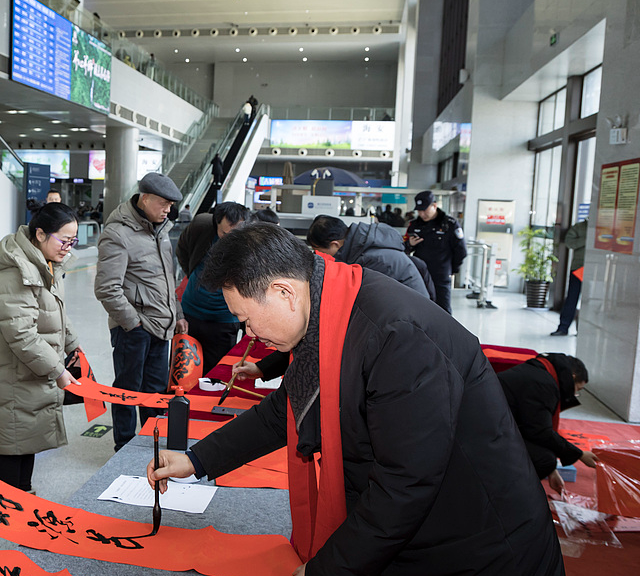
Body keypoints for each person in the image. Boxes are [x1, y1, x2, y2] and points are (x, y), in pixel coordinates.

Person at [148, 224, 563, 575]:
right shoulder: (327, 308)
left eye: (246, 319)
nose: (250, 335)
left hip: (480, 546)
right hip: (427, 533)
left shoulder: (396, 337)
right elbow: (287, 408)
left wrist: (327, 567)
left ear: (284, 292)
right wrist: (197, 460)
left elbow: (404, 484)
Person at [0, 202, 82, 493]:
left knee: (27, 440)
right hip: (12, 375)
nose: (68, 248)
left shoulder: (44, 264)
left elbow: (57, 312)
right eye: (64, 240)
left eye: (72, 241)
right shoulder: (14, 273)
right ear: (40, 234)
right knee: (14, 444)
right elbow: (21, 334)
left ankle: (24, 497)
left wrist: (73, 346)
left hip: (32, 371)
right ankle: (7, 507)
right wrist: (58, 369)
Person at [94, 172, 187, 451]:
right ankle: (123, 444)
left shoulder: (161, 230)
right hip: (134, 329)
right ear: (144, 198)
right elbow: (106, 288)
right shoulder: (118, 233)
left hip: (162, 325)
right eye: (163, 203)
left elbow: (167, 280)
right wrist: (133, 323)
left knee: (155, 390)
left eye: (171, 205)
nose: (168, 210)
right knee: (127, 389)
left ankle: (150, 441)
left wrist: (177, 314)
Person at [497, 353, 596, 493]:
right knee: (545, 460)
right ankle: (510, 495)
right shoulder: (543, 385)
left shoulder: (541, 371)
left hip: (495, 421)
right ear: (572, 377)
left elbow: (531, 425)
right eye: (577, 390)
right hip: (486, 429)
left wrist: (552, 472)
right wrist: (579, 454)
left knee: (547, 455)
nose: (574, 395)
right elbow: (539, 431)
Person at [176, 202, 249, 370]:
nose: (229, 238)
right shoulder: (201, 226)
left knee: (216, 374)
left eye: (234, 233)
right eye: (224, 233)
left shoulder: (248, 238)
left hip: (224, 318)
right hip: (192, 311)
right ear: (216, 223)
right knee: (185, 370)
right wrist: (194, 274)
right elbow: (182, 249)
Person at [306, 215, 429, 298]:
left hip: (414, 319)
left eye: (319, 250)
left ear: (335, 244)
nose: (320, 255)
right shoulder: (365, 244)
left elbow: (367, 300)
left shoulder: (369, 258)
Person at [404, 190, 467, 313]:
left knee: (443, 311)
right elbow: (404, 249)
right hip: (419, 275)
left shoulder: (449, 225)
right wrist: (409, 244)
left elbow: (461, 251)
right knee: (419, 309)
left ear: (434, 206)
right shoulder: (414, 225)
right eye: (419, 210)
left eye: (425, 210)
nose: (422, 214)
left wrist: (452, 269)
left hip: (441, 275)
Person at [552, 219, 587, 336]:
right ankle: (563, 327)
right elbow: (569, 243)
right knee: (572, 298)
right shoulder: (579, 227)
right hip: (579, 268)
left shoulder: (605, 228)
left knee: (590, 301)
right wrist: (587, 239)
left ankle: (582, 330)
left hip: (598, 269)